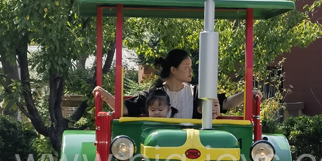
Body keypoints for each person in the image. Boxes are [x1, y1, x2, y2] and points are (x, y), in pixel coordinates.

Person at [94, 49, 261, 119]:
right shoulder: (154, 94)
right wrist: (106, 96)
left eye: (190, 67)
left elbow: (225, 103)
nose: (190, 71)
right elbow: (125, 109)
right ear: (173, 70)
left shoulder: (197, 91)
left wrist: (248, 92)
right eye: (186, 67)